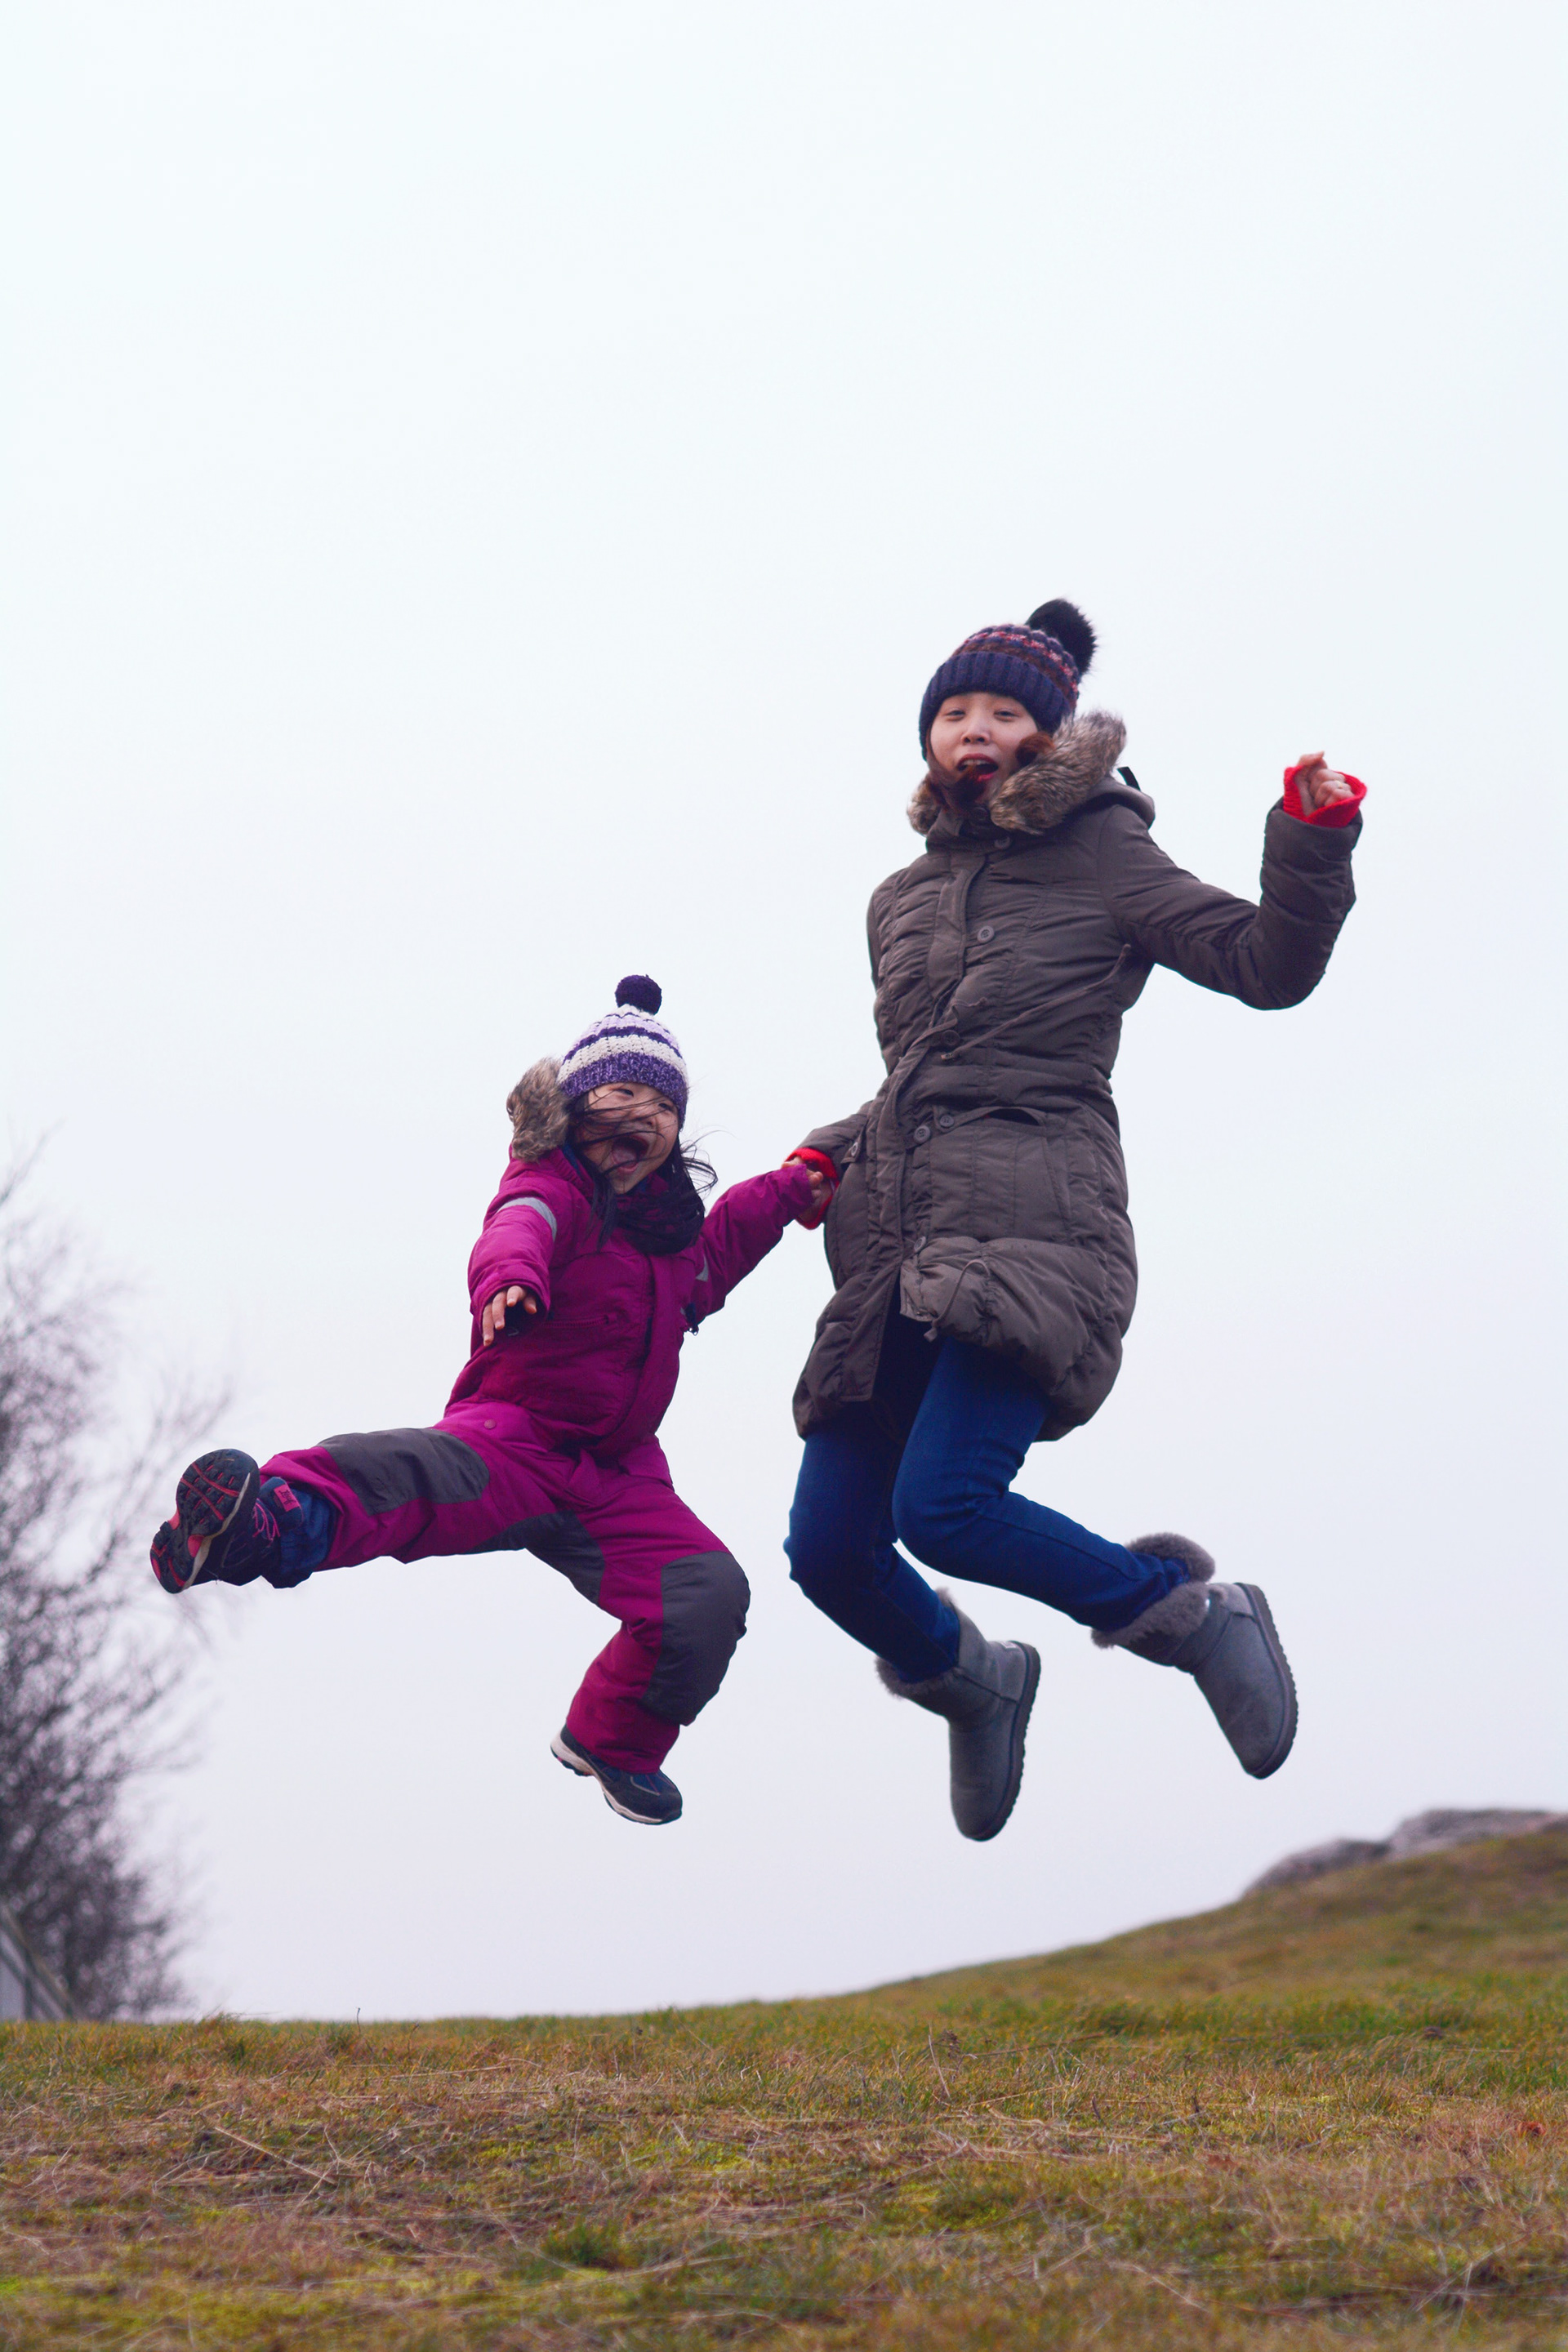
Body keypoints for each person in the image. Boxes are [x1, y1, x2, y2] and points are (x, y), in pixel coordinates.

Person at [783, 602, 1364, 1840]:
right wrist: (824, 1154)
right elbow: (923, 1074)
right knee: (832, 1549)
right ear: (929, 741)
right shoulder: (899, 900)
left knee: (942, 1508)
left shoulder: (1105, 855)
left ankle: (1192, 1619)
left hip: (1035, 1230)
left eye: (1003, 713)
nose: (975, 732)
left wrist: (1310, 840)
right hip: (898, 1247)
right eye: (954, 714)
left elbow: (1267, 964)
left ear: (1050, 738)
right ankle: (976, 1681)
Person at [149, 978, 829, 1827]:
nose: (642, 1116)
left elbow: (728, 1234)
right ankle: (266, 1524)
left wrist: (797, 1185)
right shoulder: (557, 1187)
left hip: (620, 1480)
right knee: (402, 1478)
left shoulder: (672, 1246)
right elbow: (518, 1224)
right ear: (577, 1108)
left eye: (661, 1105)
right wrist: (510, 1279)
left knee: (708, 1595)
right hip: (514, 1440)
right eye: (621, 1093)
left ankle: (614, 1742)